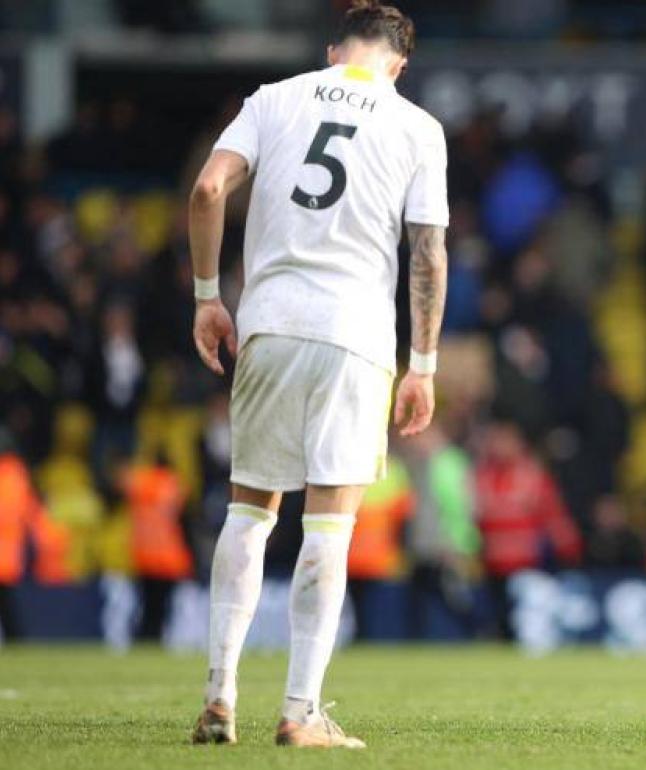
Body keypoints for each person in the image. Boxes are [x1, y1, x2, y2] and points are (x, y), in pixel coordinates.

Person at [186, 0, 448, 748]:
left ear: (336, 50)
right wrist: (421, 365)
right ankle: (300, 712)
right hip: (354, 334)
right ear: (397, 65)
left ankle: (218, 697)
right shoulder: (415, 126)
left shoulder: (273, 99)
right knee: (329, 523)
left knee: (250, 512)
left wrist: (208, 298)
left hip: (267, 321)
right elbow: (427, 252)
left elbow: (208, 190)